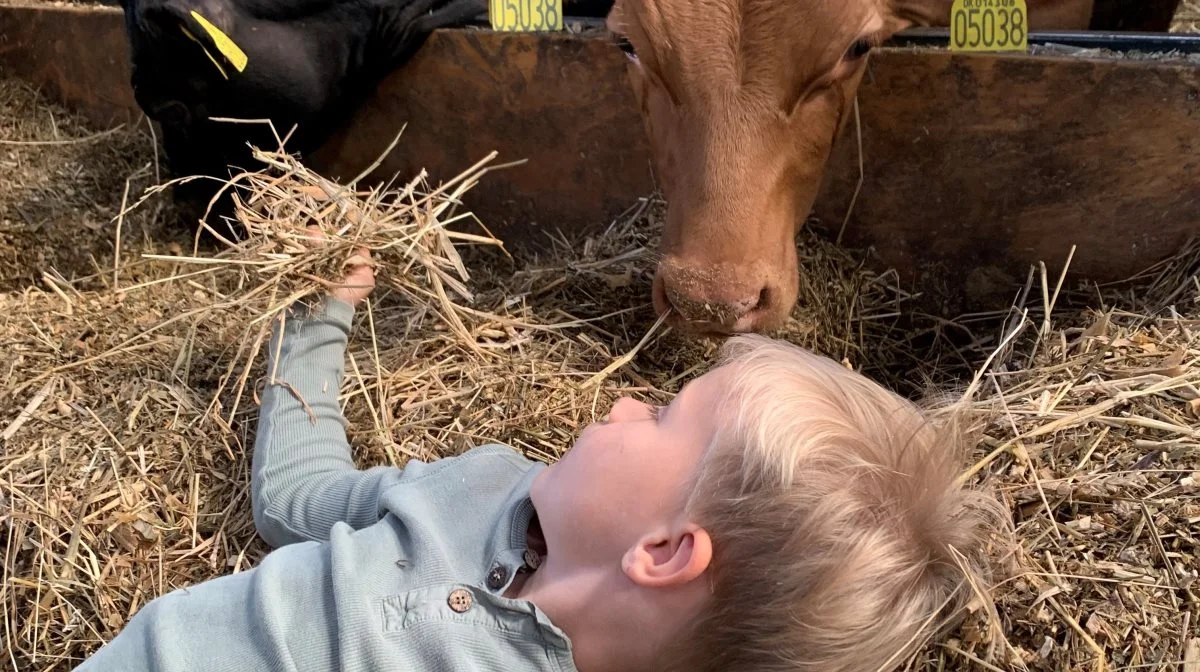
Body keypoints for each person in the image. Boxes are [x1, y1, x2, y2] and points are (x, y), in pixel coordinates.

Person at [75, 243, 1011, 672]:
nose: (621, 399)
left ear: (667, 549)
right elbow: (295, 498)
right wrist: (317, 323)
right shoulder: (486, 485)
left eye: (660, 417)